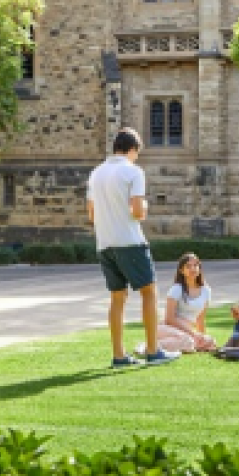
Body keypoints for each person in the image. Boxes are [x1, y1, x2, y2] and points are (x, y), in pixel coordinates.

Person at [87, 128, 179, 368]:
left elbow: (91, 214)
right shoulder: (133, 171)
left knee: (117, 298)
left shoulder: (96, 174)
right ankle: (153, 350)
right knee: (149, 292)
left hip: (104, 242)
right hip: (129, 241)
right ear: (132, 149)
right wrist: (145, 207)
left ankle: (119, 355)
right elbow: (138, 212)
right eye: (137, 152)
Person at [154, 253, 217, 354]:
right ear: (181, 270)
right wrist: (193, 334)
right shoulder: (176, 289)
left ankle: (187, 343)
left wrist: (201, 337)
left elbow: (200, 319)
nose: (193, 269)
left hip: (186, 331)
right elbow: (169, 319)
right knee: (188, 341)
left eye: (196, 265)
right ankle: (150, 346)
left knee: (210, 341)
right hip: (169, 328)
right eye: (188, 266)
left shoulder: (206, 290)